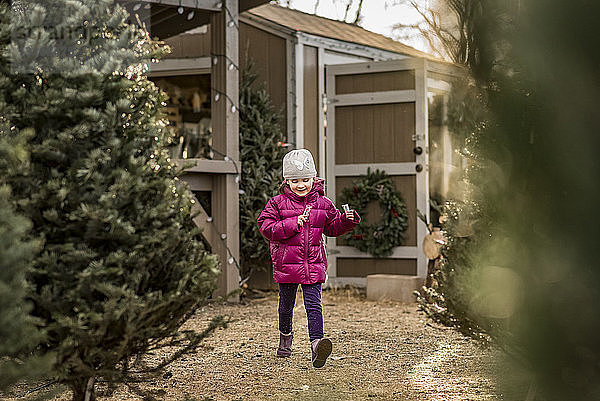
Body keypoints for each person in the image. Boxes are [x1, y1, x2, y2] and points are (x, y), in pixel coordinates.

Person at [257, 149, 360, 368]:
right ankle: (285, 337)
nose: (301, 184)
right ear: (286, 181)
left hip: (313, 264)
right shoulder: (277, 203)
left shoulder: (323, 203)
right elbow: (266, 227)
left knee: (314, 306)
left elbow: (331, 227)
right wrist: (294, 223)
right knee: (286, 306)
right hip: (287, 265)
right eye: (295, 180)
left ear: (313, 178)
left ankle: (317, 345)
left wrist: (347, 221)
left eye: (305, 179)